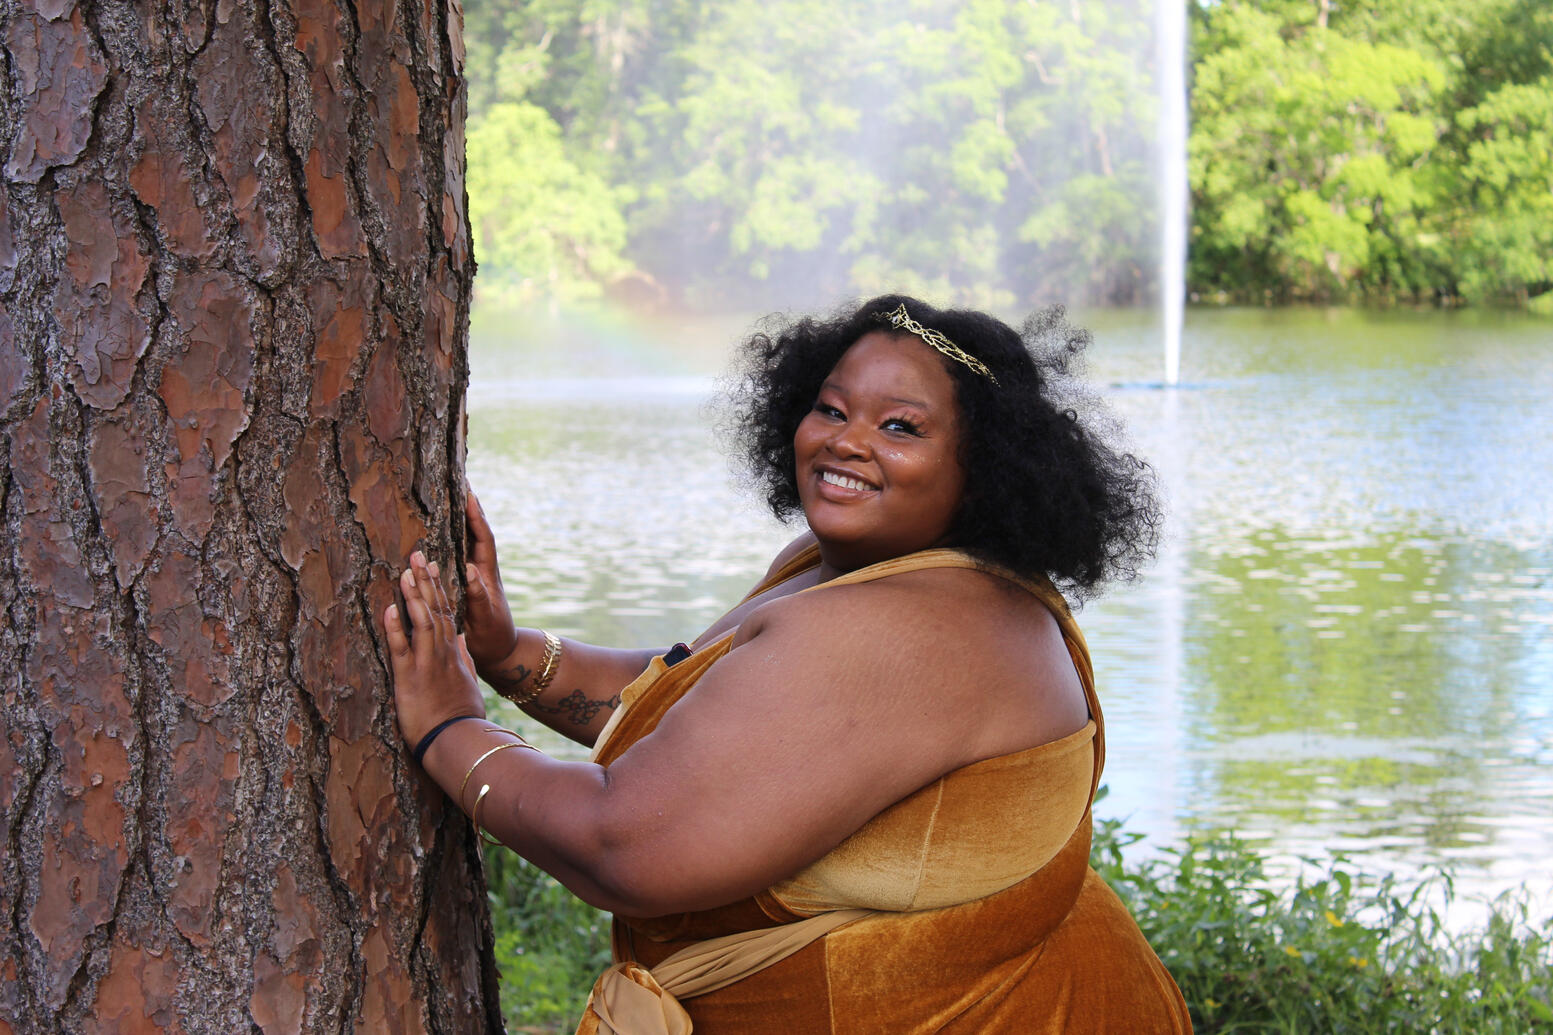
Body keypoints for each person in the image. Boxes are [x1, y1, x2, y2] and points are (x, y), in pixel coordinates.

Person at [384, 295, 1191, 1033]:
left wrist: (449, 728)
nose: (846, 440)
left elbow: (622, 846)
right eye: (831, 408)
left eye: (900, 427)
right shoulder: (837, 561)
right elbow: (694, 700)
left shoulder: (912, 631)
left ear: (984, 466)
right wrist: (508, 652)